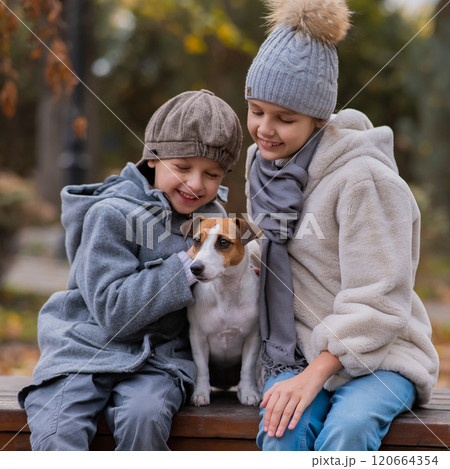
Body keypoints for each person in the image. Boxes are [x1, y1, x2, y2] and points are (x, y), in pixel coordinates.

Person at [243, 0, 439, 451]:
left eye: (284, 119)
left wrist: (312, 377)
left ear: (318, 118)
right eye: (256, 110)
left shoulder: (363, 179)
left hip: (383, 356)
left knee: (348, 430)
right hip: (302, 350)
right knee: (281, 428)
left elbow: (380, 301)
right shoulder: (265, 164)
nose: (264, 130)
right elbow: (274, 246)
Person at [19, 89, 243, 450]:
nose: (196, 184)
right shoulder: (111, 214)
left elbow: (228, 292)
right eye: (183, 167)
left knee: (145, 416)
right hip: (85, 348)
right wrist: (185, 266)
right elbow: (112, 312)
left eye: (212, 173)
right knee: (59, 426)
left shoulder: (216, 224)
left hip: (161, 359)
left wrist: (249, 270)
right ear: (153, 158)